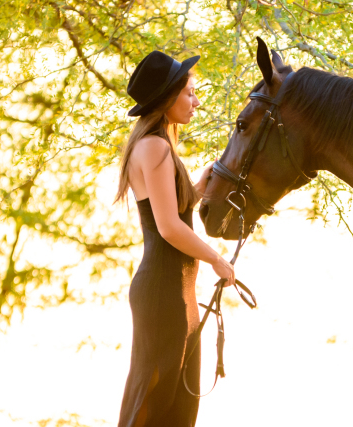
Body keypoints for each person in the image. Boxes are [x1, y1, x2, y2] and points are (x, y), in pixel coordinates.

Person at [113, 50, 234, 427]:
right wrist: (216, 258)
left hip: (176, 292)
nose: (196, 101)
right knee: (154, 402)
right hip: (165, 292)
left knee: (178, 410)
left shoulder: (155, 145)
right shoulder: (155, 146)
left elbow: (170, 210)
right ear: (167, 98)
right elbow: (167, 227)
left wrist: (197, 187)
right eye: (189, 93)